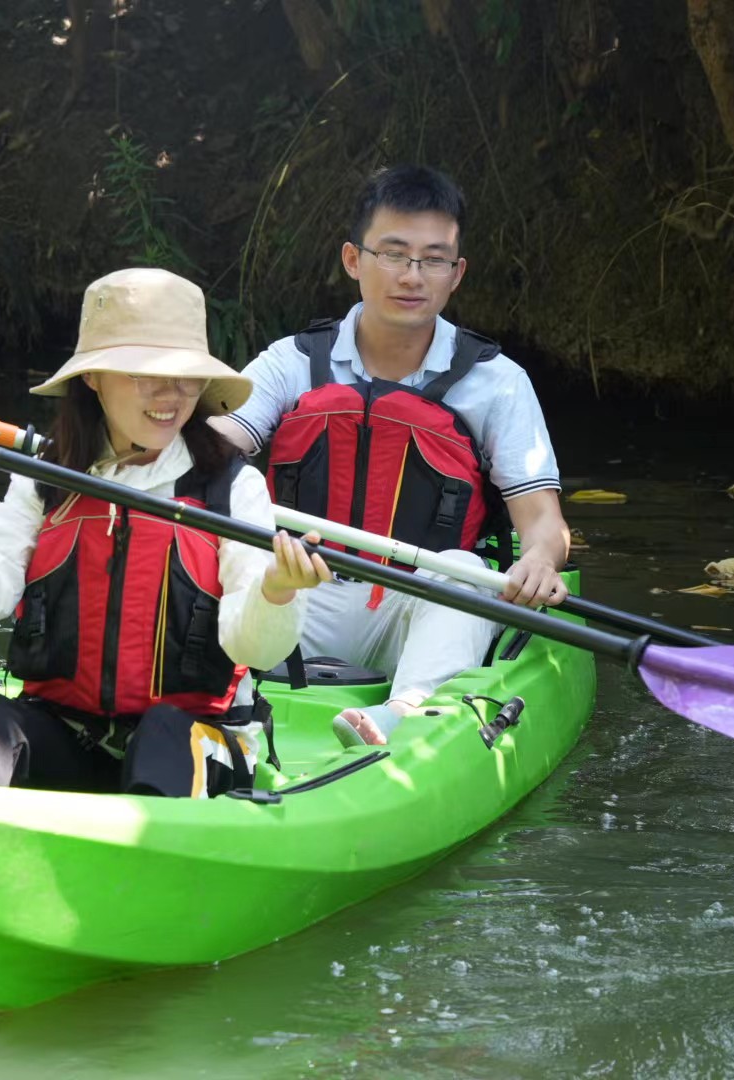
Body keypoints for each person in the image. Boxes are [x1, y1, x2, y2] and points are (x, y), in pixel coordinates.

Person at [0, 267, 332, 798]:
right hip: (68, 733)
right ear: (93, 378)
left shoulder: (231, 489)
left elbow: (255, 649)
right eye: (146, 374)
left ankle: (146, 836)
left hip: (195, 739)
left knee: (163, 731)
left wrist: (277, 591)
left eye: (186, 377)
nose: (171, 395)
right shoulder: (45, 479)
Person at [208, 165, 570, 747]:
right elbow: (212, 449)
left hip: (414, 607)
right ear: (354, 260)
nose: (412, 276)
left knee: (468, 572)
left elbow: (543, 522)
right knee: (209, 551)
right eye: (394, 254)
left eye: (433, 260)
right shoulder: (292, 361)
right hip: (294, 591)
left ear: (457, 274)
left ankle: (402, 714)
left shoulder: (497, 382)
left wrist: (540, 561)